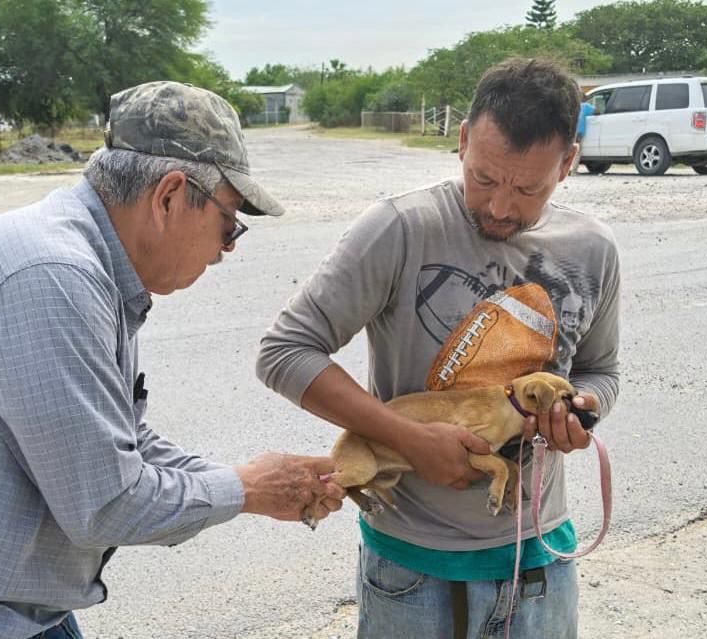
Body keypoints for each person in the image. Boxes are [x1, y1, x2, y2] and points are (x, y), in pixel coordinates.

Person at [0, 82, 345, 639]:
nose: (228, 247)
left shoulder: (91, 268)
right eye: (229, 222)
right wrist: (248, 488)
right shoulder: (51, 276)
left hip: (7, 609)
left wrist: (257, 480)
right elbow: (106, 503)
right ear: (168, 197)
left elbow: (124, 441)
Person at [257, 58, 620, 638]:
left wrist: (583, 411)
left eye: (528, 188)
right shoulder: (402, 228)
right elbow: (285, 351)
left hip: (539, 562)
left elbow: (600, 370)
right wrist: (410, 440)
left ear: (569, 163)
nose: (500, 207)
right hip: (412, 573)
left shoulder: (592, 249)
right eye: (483, 178)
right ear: (461, 141)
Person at [569, 98, 596, 175]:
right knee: (577, 151)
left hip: (572, 130)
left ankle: (569, 170)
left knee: (570, 149)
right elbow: (597, 111)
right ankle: (573, 171)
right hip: (579, 132)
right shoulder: (586, 106)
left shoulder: (573, 106)